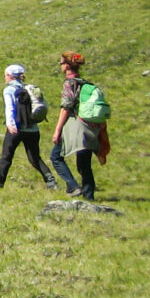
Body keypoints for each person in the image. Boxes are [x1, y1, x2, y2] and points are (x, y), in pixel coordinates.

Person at [50, 51, 110, 200]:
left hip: (76, 127)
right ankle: (89, 197)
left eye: (62, 63)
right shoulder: (84, 83)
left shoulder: (69, 83)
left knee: (55, 157)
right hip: (90, 127)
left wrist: (57, 130)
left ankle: (73, 186)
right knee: (84, 163)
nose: (61, 66)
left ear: (67, 65)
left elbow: (66, 107)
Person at [0, 64, 58, 190]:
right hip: (33, 129)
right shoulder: (28, 88)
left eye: (6, 75)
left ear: (11, 76)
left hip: (16, 129)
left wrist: (10, 124)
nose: (4, 78)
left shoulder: (9, 90)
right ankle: (50, 180)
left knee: (6, 157)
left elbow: (10, 108)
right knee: (34, 158)